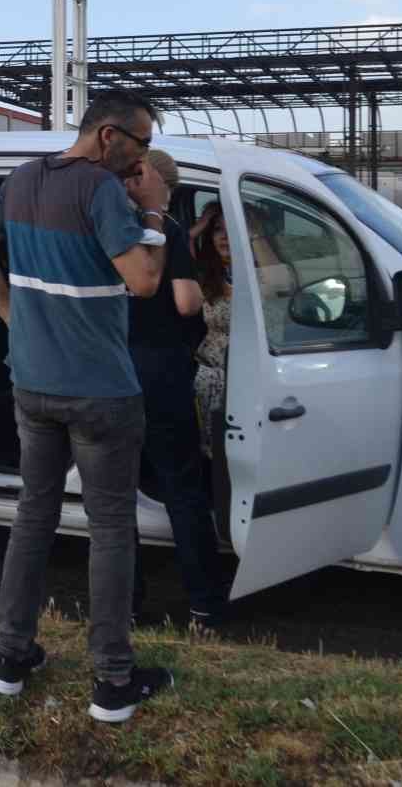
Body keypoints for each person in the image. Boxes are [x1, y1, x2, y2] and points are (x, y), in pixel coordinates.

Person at [0, 91, 175, 724]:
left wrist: (14, 322)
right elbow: (144, 281)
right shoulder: (103, 192)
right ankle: (112, 681)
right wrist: (155, 213)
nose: (141, 163)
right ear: (110, 137)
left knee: (33, 516)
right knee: (110, 527)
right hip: (102, 391)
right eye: (139, 147)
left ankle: (10, 658)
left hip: (33, 383)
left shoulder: (22, 179)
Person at [128, 151, 227, 628]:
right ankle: (204, 606)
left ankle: (124, 606)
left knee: (113, 500)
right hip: (162, 374)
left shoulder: (103, 227)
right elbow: (188, 303)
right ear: (165, 187)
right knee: (184, 491)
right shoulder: (165, 231)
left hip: (110, 377)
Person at [190, 203, 232, 459]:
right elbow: (180, 251)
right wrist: (197, 229)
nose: (224, 236)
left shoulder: (258, 273)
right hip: (210, 376)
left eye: (231, 229)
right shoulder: (205, 275)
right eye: (217, 229)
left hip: (250, 378)